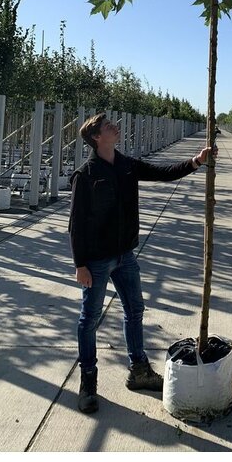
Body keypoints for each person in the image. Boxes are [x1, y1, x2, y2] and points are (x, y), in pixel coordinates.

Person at [69, 112, 215, 414]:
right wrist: (80, 263)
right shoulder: (86, 175)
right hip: (96, 260)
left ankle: (139, 370)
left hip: (124, 256)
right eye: (108, 126)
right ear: (97, 138)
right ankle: (88, 383)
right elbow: (76, 224)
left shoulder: (126, 166)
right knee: (89, 319)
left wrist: (195, 161)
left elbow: (163, 172)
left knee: (134, 310)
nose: (115, 127)